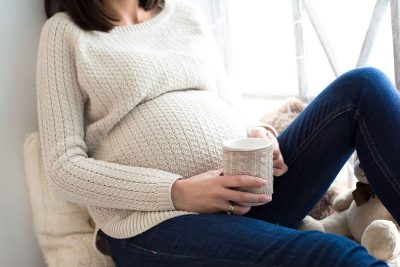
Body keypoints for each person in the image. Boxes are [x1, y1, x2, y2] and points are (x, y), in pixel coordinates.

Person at [37, 0, 399, 266]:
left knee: (363, 87)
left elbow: (233, 111)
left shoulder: (184, 15)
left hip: (250, 197)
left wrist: (260, 135)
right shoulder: (65, 34)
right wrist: (178, 192)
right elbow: (63, 167)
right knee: (333, 258)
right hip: (156, 226)